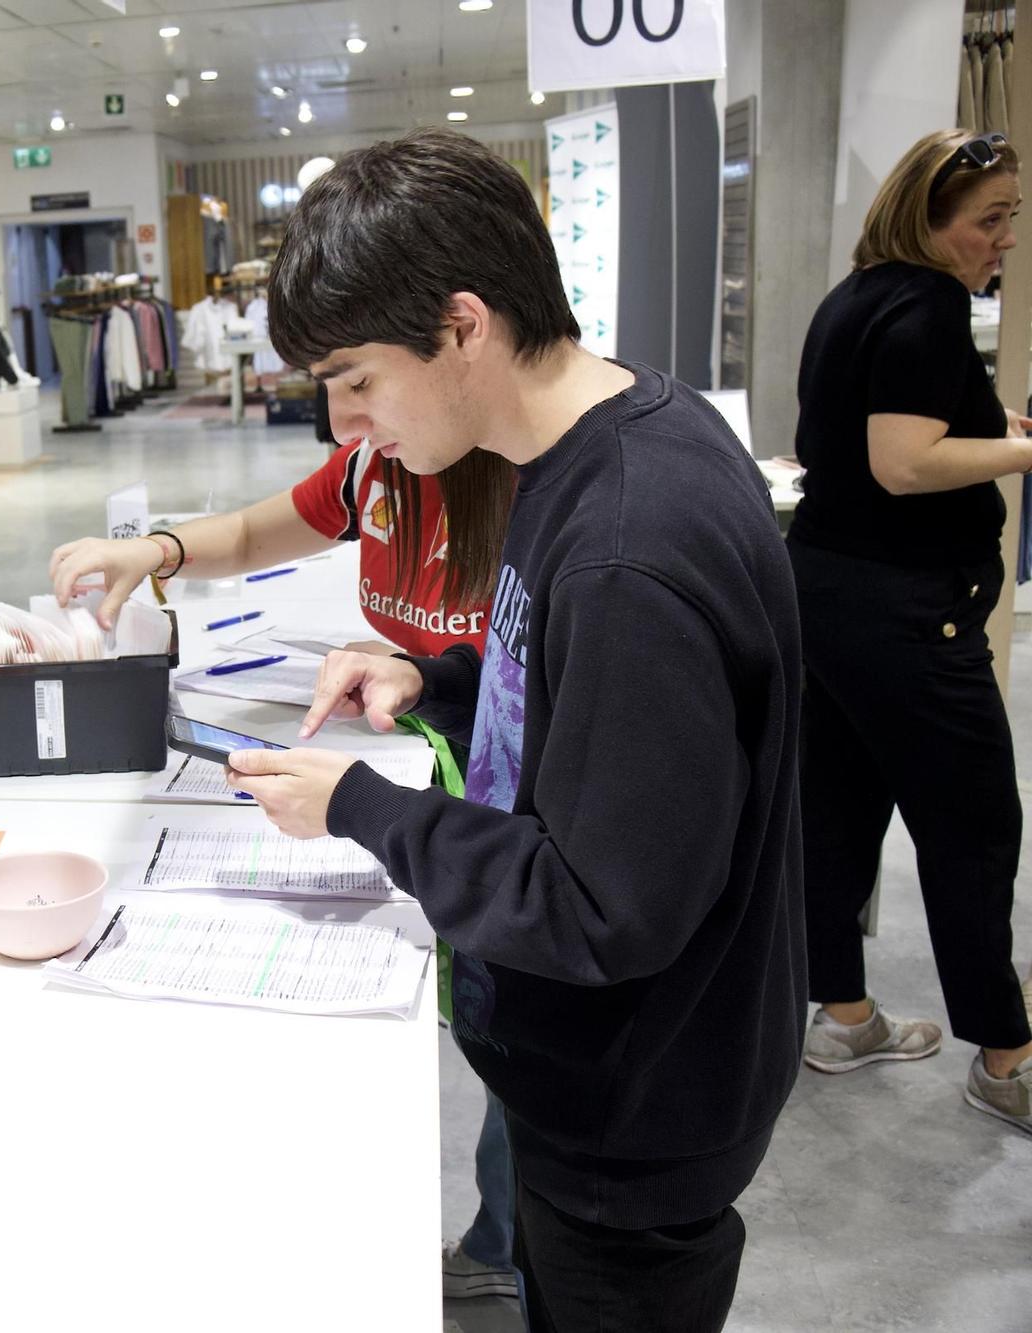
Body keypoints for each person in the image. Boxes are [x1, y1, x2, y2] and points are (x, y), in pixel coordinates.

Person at [220, 130, 804, 1331]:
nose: (353, 428)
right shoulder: (599, 438)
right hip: (603, 1080)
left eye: (362, 380)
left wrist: (360, 808)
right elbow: (584, 698)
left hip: (635, 1111)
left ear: (462, 325)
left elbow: (603, 908)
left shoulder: (627, 547)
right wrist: (436, 677)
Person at [50, 389, 521, 1310]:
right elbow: (259, 531)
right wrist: (158, 549)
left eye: (357, 378)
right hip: (413, 763)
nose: (343, 417)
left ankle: (512, 1238)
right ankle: (503, 1237)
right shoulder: (375, 462)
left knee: (516, 1033)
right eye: (329, 385)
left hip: (492, 792)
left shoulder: (518, 479)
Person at [788, 129, 1032, 1134]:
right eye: (988, 219)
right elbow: (899, 461)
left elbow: (878, 444)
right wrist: (1022, 458)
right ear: (928, 219)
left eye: (1010, 217)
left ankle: (840, 1016)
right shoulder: (927, 305)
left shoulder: (857, 294)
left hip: (828, 596)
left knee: (837, 811)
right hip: (904, 612)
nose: (1001, 240)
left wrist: (994, 432)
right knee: (973, 828)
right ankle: (1006, 1061)